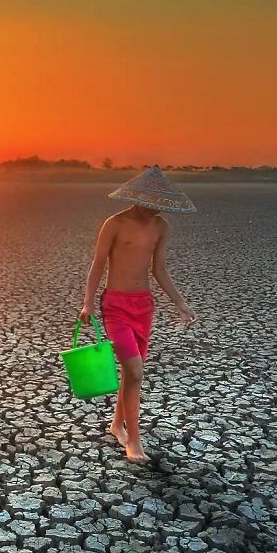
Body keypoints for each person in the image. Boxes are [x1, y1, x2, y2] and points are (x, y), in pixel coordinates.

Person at [79, 166, 197, 462]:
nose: (152, 209)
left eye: (158, 205)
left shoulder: (160, 227)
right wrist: (88, 302)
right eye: (149, 203)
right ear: (137, 197)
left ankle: (117, 424)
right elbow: (98, 264)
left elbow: (159, 270)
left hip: (143, 306)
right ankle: (134, 441)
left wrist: (180, 302)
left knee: (132, 375)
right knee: (134, 371)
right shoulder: (114, 224)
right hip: (115, 305)